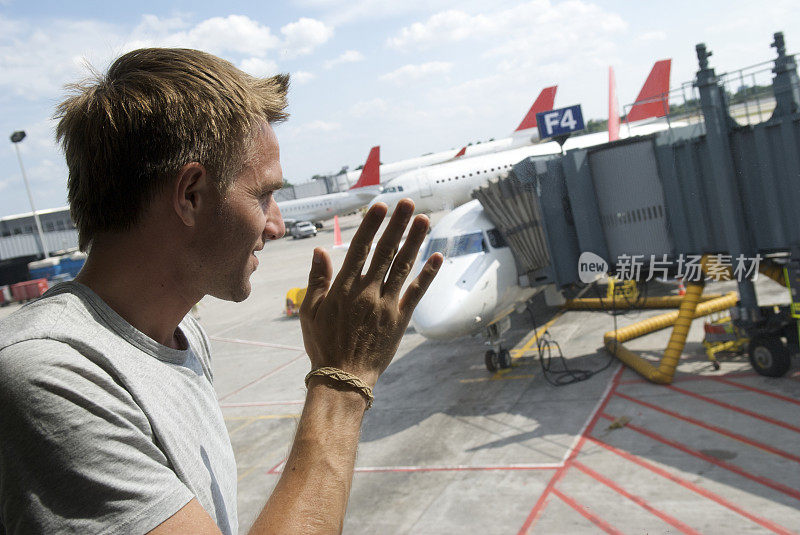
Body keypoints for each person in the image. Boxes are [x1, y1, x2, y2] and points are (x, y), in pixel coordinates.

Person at [0, 48, 442, 534]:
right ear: (190, 195)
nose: (276, 226)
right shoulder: (51, 376)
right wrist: (343, 380)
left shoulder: (181, 332)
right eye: (263, 195)